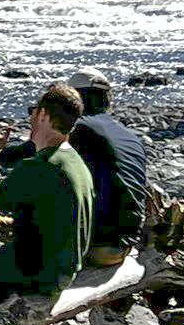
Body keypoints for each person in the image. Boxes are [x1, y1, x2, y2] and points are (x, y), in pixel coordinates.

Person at [0, 83, 95, 297]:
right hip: (64, 271)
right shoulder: (74, 159)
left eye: (33, 112)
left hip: (35, 276)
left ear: (43, 115)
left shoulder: (40, 166)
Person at [64, 68, 150, 265]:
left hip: (93, 246)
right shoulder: (130, 136)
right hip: (124, 244)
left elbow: (14, 159)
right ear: (108, 100)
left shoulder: (74, 130)